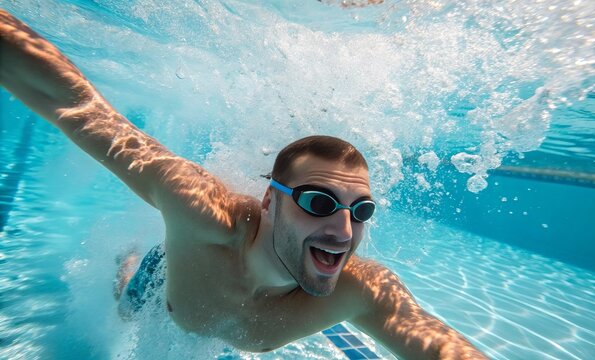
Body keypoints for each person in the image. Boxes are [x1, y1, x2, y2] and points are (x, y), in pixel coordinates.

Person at [0, 9, 487, 360]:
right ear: (271, 201)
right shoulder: (200, 210)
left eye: (361, 211)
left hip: (210, 314)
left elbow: (440, 347)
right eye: (320, 202)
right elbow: (75, 104)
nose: (344, 232)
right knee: (128, 307)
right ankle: (129, 261)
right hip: (164, 278)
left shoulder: (362, 291)